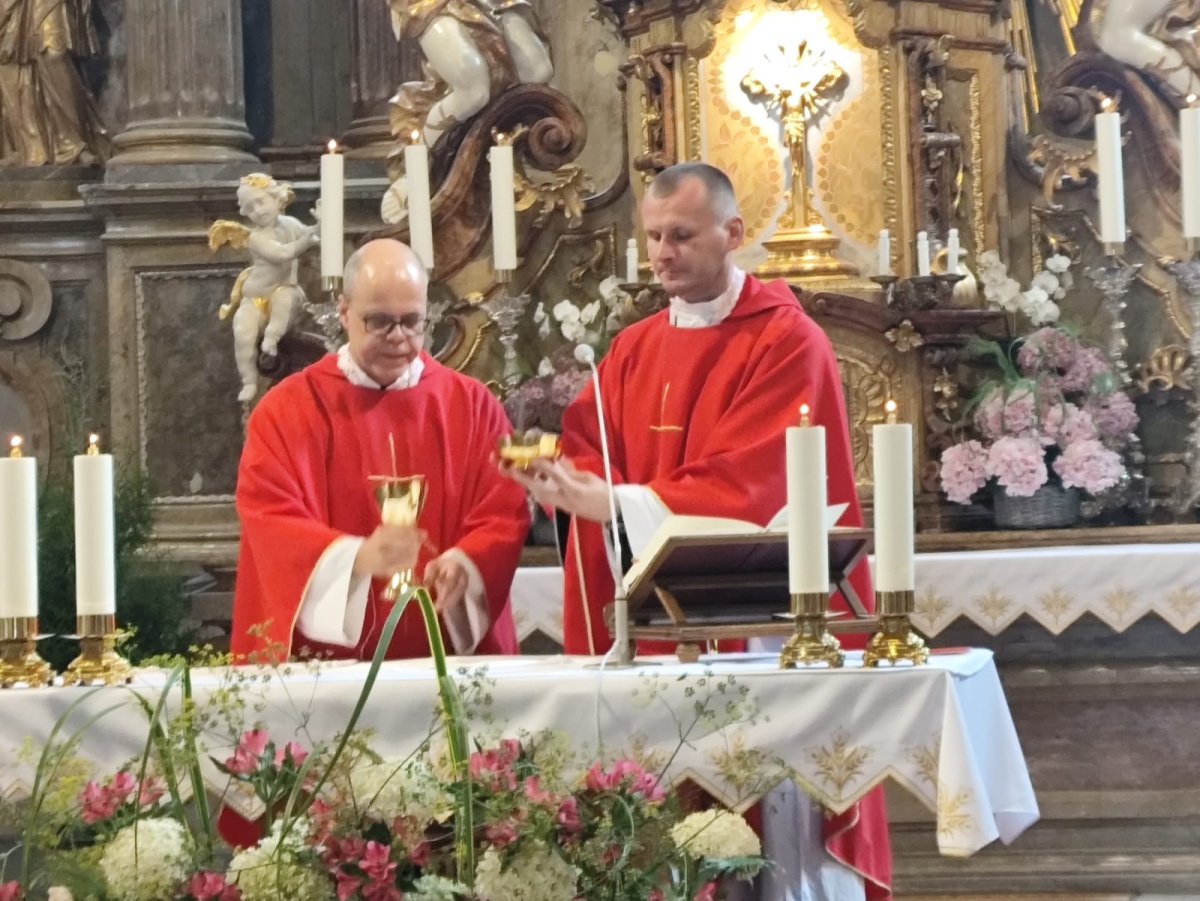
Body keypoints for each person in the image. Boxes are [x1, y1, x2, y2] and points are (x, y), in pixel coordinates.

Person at [502, 162, 890, 901]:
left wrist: (616, 502)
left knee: (760, 846)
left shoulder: (787, 341)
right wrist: (566, 484)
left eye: (680, 235)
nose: (662, 253)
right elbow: (588, 446)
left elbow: (756, 481)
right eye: (653, 237)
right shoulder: (633, 348)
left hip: (756, 625)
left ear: (732, 233)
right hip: (651, 629)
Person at [230, 238, 530, 664]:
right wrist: (356, 559)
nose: (398, 337)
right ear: (343, 311)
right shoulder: (287, 411)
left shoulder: (473, 406)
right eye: (380, 322)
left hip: (449, 665)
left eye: (412, 321)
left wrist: (467, 562)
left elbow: (502, 509)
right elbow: (270, 517)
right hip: (327, 673)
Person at [211, 173, 319, 403]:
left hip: (286, 290)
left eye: (261, 202)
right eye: (250, 208)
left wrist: (321, 225)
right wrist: (308, 239)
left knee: (285, 300)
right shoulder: (254, 237)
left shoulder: (291, 225)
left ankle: (271, 338)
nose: (258, 211)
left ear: (277, 199)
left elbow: (314, 235)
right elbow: (281, 253)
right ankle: (249, 380)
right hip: (255, 298)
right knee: (243, 330)